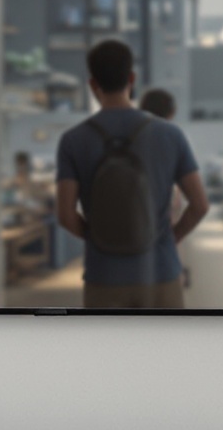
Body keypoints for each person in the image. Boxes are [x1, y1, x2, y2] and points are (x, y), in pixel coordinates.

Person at [55, 38, 208, 310]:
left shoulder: (73, 141)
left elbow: (66, 216)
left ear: (93, 84)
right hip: (160, 274)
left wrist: (99, 237)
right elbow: (199, 205)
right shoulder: (170, 134)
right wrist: (171, 237)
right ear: (132, 79)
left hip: (103, 278)